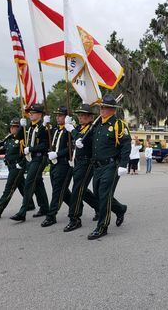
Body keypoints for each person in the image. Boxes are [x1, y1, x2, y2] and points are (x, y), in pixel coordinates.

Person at [77, 95, 131, 240]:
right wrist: (80, 142)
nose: (102, 109)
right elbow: (88, 141)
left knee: (104, 196)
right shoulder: (97, 125)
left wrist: (123, 165)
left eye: (105, 107)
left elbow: (126, 145)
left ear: (112, 110)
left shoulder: (118, 125)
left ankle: (102, 227)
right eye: (101, 107)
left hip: (111, 166)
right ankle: (120, 209)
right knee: (100, 195)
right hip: (97, 166)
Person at [63, 104, 99, 232]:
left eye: (82, 115)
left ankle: (75, 218)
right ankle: (102, 208)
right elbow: (74, 135)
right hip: (77, 162)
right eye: (79, 115)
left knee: (77, 189)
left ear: (90, 117)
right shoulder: (80, 127)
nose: (79, 117)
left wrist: (72, 130)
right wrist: (67, 126)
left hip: (87, 163)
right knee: (82, 190)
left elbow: (81, 139)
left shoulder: (92, 128)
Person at [10, 104, 49, 222]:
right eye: (30, 113)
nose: (30, 115)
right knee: (37, 183)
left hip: (39, 158)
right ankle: (45, 208)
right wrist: (22, 126)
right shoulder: (29, 127)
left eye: (33, 113)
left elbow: (45, 145)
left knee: (29, 182)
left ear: (39, 114)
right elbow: (18, 136)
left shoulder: (44, 127)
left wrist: (31, 149)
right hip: (30, 159)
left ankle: (22, 212)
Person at [0, 118, 35, 218]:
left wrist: (21, 164)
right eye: (12, 127)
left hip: (17, 167)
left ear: (19, 128)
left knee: (8, 189)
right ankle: (30, 204)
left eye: (16, 127)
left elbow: (27, 154)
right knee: (22, 186)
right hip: (10, 166)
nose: (13, 129)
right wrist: (4, 139)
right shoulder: (9, 140)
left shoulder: (22, 140)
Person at [41, 106, 73, 227]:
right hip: (54, 164)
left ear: (66, 117)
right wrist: (44, 124)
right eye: (57, 115)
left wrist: (57, 154)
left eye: (60, 115)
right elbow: (42, 136)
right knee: (62, 191)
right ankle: (77, 206)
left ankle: (51, 216)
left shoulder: (69, 130)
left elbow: (70, 147)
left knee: (57, 191)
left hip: (64, 164)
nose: (58, 117)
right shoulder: (55, 129)